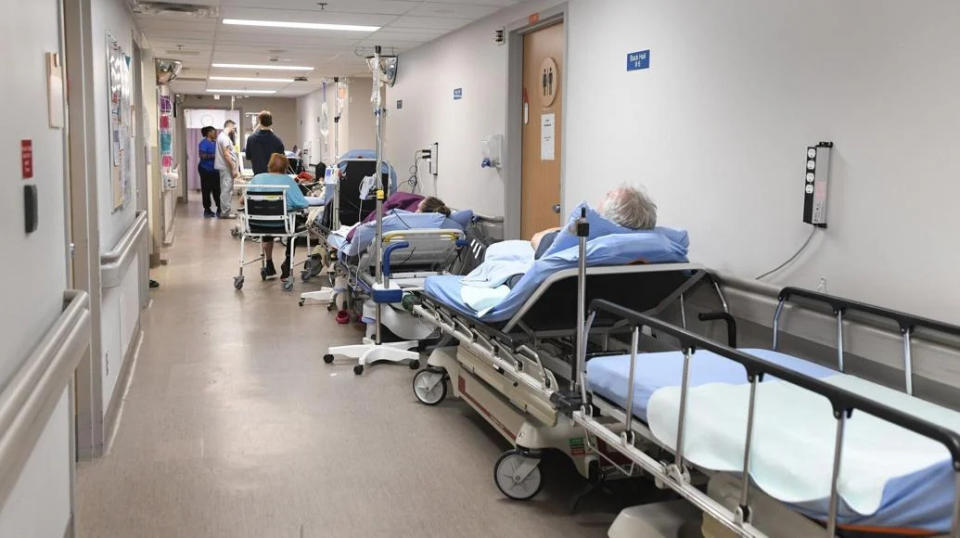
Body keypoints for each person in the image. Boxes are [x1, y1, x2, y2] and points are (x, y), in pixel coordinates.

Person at [530, 185, 657, 258]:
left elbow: (536, 239)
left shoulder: (584, 245)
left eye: (609, 196)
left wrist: (560, 232)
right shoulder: (653, 250)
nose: (606, 193)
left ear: (610, 216)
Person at [248, 153, 308, 281]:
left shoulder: (257, 178)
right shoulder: (288, 181)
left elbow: (243, 200)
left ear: (269, 165)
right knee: (295, 228)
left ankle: (269, 264)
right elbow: (302, 203)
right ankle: (287, 262)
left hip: (257, 224)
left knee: (267, 222)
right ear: (285, 168)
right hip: (282, 225)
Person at [244, 110, 285, 175]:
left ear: (259, 121)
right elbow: (281, 160)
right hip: (273, 177)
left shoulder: (251, 139)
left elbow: (248, 156)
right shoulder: (277, 141)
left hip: (258, 176)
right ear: (271, 122)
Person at [214, 119, 240, 218]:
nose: (234, 130)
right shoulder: (224, 138)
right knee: (226, 190)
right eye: (234, 128)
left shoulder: (224, 137)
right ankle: (225, 213)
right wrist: (233, 169)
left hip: (226, 168)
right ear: (230, 126)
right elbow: (226, 155)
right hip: (226, 168)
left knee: (227, 190)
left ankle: (226, 212)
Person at [198, 126, 220, 217]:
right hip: (205, 169)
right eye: (214, 132)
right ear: (208, 133)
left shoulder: (216, 143)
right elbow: (202, 156)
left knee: (217, 190)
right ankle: (207, 210)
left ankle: (220, 208)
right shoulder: (203, 143)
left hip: (215, 170)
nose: (215, 134)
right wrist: (216, 156)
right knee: (206, 189)